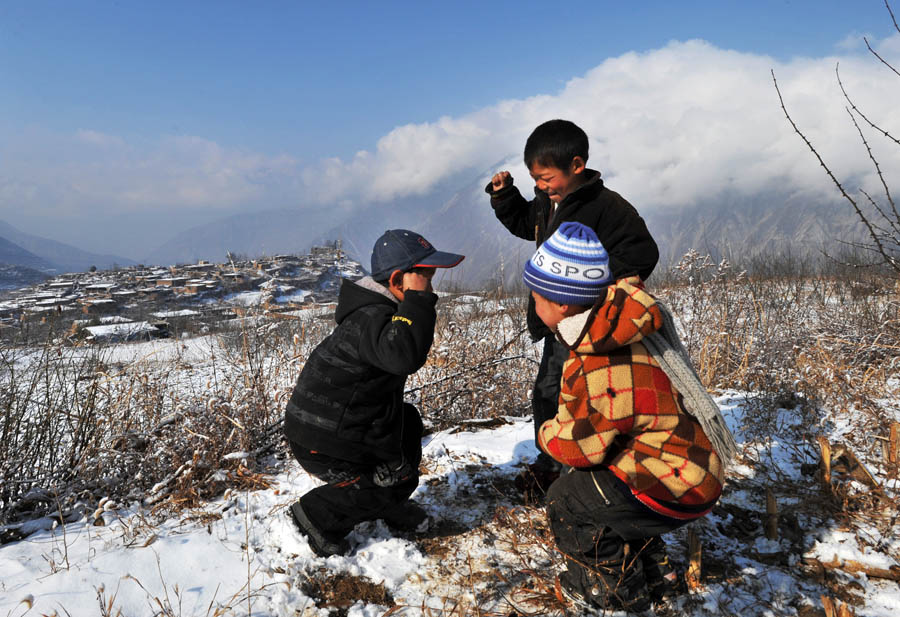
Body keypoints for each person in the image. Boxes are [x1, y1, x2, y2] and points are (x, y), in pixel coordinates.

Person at [521, 222, 736, 612]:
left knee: (568, 501)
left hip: (675, 482)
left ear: (562, 304)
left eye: (536, 296)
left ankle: (618, 591)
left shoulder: (605, 359)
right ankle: (660, 572)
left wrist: (547, 434)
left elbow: (584, 447)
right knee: (605, 490)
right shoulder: (616, 326)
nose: (532, 303)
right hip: (684, 465)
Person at [486, 119, 659, 486]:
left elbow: (642, 253)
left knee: (582, 397)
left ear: (576, 166)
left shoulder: (607, 208)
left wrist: (591, 286)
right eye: (535, 178)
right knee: (550, 392)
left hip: (591, 325)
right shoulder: (549, 202)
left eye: (546, 178)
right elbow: (526, 225)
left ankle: (579, 472)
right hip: (558, 324)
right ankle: (551, 464)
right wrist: (504, 198)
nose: (540, 185)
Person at [283, 229, 464, 557]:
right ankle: (316, 515)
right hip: (321, 440)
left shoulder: (377, 310)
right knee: (393, 477)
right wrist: (419, 300)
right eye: (425, 278)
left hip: (337, 427)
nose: (431, 285)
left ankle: (387, 501)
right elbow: (405, 356)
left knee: (407, 425)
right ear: (399, 281)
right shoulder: (373, 318)